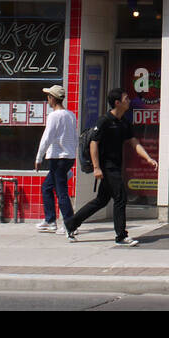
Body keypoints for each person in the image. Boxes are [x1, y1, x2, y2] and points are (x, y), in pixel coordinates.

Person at [67, 88, 157, 246]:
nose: (129, 100)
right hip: (107, 167)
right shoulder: (104, 121)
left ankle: (71, 223)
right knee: (120, 197)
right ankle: (121, 235)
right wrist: (96, 167)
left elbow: (134, 142)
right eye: (126, 98)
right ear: (117, 103)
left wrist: (148, 158)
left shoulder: (124, 122)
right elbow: (94, 143)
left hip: (116, 165)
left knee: (101, 200)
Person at [34, 84, 78, 233]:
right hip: (68, 157)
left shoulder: (54, 116)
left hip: (57, 158)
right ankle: (50, 220)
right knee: (46, 187)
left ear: (52, 98)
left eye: (48, 97)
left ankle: (69, 224)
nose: (48, 100)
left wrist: (39, 157)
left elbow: (46, 138)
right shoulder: (71, 115)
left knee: (61, 192)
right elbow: (74, 137)